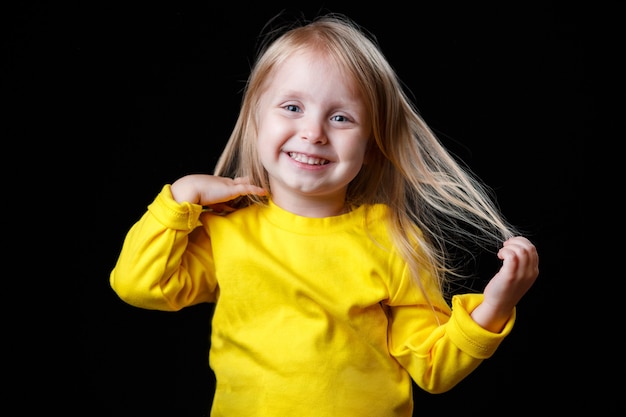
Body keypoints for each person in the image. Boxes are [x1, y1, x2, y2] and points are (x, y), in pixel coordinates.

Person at [110, 12, 539, 417]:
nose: (314, 133)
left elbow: (433, 369)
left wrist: (496, 305)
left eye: (340, 117)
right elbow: (138, 286)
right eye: (292, 107)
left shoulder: (393, 238)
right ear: (257, 121)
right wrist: (177, 199)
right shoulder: (226, 232)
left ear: (371, 147)